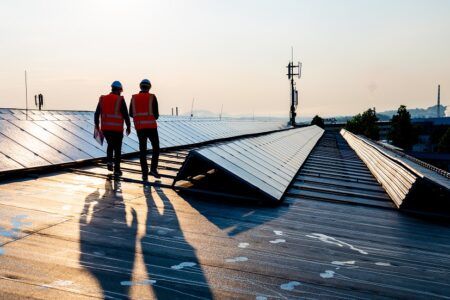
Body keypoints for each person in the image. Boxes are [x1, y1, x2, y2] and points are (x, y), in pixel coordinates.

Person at [94, 81, 131, 176]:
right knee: (117, 149)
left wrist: (97, 126)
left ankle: (109, 162)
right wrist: (128, 126)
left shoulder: (103, 99)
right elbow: (126, 115)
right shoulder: (120, 100)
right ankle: (117, 170)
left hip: (105, 129)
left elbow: (96, 113)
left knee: (110, 144)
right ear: (119, 90)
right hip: (117, 129)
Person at [129, 79, 160, 181]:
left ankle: (144, 173)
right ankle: (153, 169)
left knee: (143, 150)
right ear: (149, 87)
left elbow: (131, 113)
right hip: (151, 127)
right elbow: (156, 115)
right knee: (156, 148)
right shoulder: (152, 97)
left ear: (140, 87)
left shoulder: (134, 98)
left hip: (140, 128)